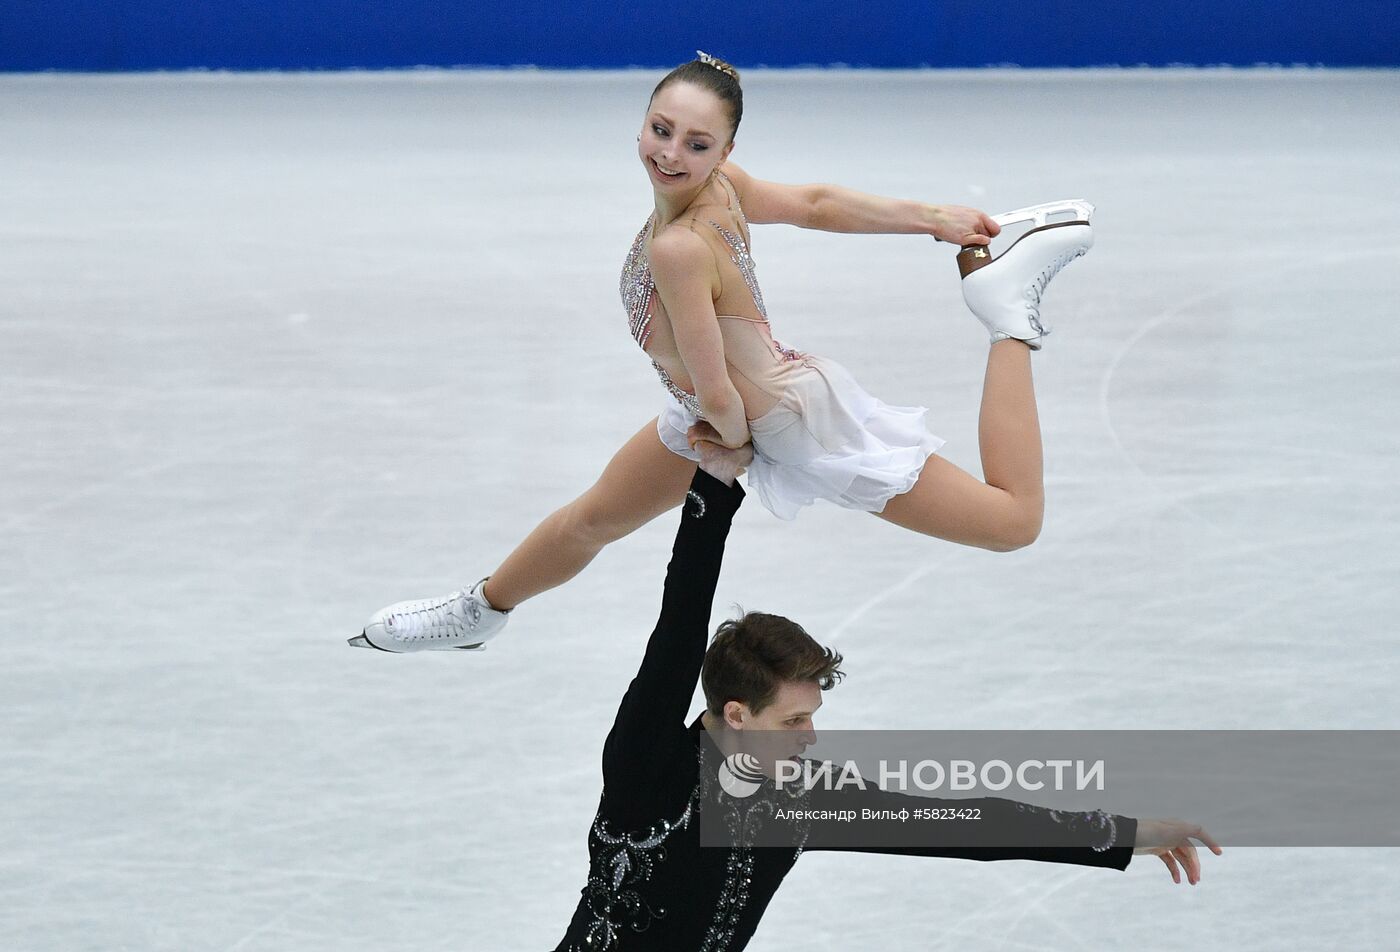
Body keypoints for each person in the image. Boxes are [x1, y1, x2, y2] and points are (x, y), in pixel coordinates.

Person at [352, 52, 1096, 653]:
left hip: (780, 424)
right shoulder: (720, 190)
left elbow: (720, 398)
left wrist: (728, 448)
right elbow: (813, 204)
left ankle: (1009, 318)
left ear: (725, 151)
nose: (671, 153)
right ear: (642, 121)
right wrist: (929, 217)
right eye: (660, 129)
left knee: (1012, 522)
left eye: (696, 144)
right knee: (594, 519)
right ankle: (481, 611)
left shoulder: (681, 245)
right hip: (739, 407)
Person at [554, 442, 1220, 950]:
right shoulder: (649, 766)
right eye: (792, 720)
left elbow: (970, 825)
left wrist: (1125, 835)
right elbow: (680, 622)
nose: (809, 737)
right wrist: (715, 483)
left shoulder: (801, 798)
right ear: (736, 714)